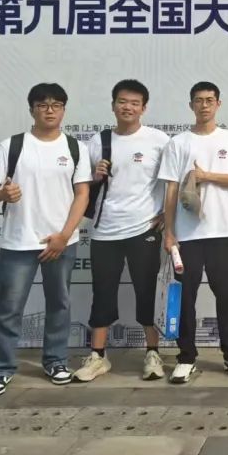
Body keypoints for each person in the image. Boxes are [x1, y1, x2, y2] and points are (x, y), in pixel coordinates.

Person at [0, 83, 92, 397]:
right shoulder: (12, 146)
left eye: (56, 104)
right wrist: (2, 194)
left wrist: (64, 236)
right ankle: (1, 369)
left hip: (61, 241)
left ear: (64, 110)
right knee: (9, 308)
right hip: (18, 242)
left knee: (59, 304)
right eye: (42, 105)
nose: (50, 110)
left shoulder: (75, 148)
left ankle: (55, 362)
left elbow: (82, 194)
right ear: (32, 110)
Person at [73, 80, 171, 383]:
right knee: (102, 292)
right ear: (113, 105)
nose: (127, 107)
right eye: (122, 101)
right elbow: (82, 187)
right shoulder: (98, 141)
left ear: (144, 108)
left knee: (147, 291)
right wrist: (95, 176)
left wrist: (167, 215)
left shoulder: (158, 140)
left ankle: (152, 354)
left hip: (144, 229)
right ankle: (98, 357)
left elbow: (173, 182)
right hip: (104, 231)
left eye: (134, 103)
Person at [159, 81, 228, 383]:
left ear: (218, 104)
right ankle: (186, 357)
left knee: (225, 295)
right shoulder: (178, 143)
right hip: (187, 235)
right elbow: (171, 189)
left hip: (220, 232)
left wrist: (205, 175)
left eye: (209, 100)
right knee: (185, 297)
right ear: (191, 105)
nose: (204, 105)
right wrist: (169, 232)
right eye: (198, 100)